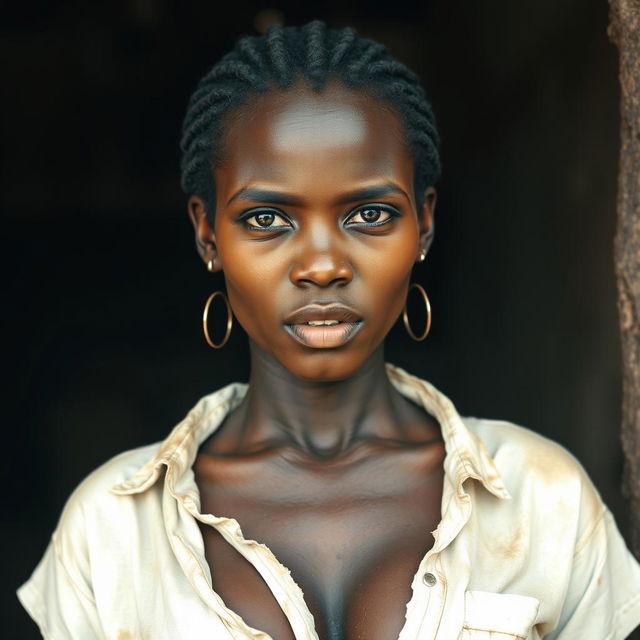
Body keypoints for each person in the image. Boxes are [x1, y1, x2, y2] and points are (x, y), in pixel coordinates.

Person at [17, 20, 640, 640]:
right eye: (267, 218)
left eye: (370, 214)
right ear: (208, 235)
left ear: (423, 226)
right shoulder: (110, 533)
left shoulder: (543, 501)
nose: (322, 265)